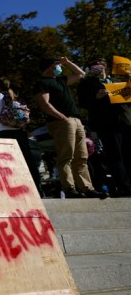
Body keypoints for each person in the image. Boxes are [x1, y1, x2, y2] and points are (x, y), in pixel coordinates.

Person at [35, 57, 107, 199]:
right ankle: (70, 188)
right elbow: (44, 104)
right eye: (57, 64)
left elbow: (81, 74)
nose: (59, 67)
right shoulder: (42, 83)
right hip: (62, 122)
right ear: (49, 67)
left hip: (76, 120)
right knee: (66, 156)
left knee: (81, 156)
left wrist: (67, 62)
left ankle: (86, 187)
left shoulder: (61, 80)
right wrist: (62, 117)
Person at [0, 78, 45, 197]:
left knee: (6, 164)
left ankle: (12, 192)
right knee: (27, 162)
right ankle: (38, 190)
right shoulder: (16, 97)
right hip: (19, 133)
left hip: (3, 133)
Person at [77, 61, 131, 197]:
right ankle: (123, 187)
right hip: (106, 124)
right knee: (115, 156)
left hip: (125, 122)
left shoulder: (117, 81)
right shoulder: (86, 83)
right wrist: (96, 97)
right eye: (94, 64)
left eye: (100, 63)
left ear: (105, 66)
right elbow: (82, 103)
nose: (97, 66)